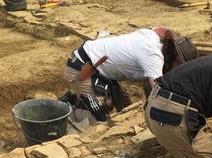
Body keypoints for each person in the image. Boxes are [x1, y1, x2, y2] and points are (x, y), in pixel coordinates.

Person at [62, 28, 198, 124]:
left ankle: (82, 98)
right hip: (82, 68)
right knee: (106, 121)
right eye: (179, 65)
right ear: (175, 57)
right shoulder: (153, 55)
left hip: (103, 72)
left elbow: (148, 84)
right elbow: (159, 92)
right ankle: (69, 109)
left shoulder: (155, 39)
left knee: (125, 111)